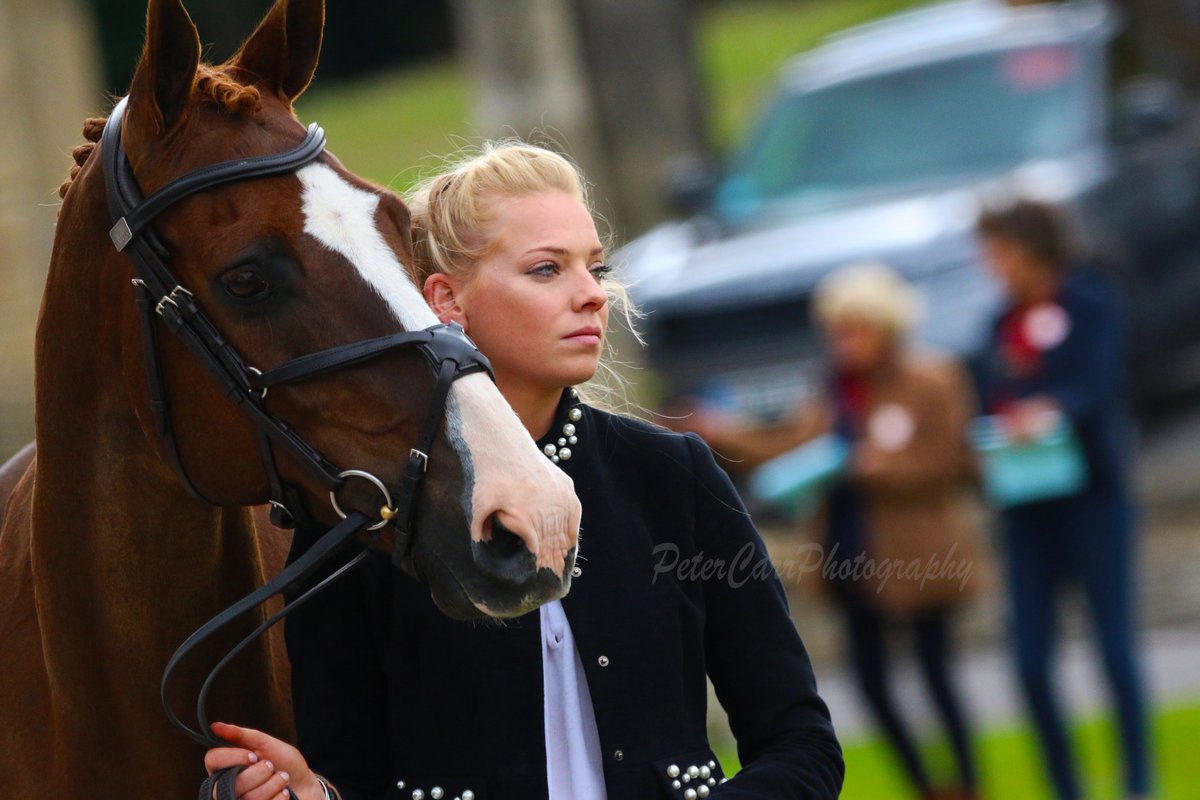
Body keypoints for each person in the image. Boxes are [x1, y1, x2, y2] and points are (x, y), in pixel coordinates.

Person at [201, 142, 845, 800]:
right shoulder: (366, 513)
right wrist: (314, 794)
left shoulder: (673, 476)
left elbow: (803, 747)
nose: (591, 295)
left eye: (595, 268)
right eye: (547, 269)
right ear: (447, 300)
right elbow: (351, 775)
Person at [682, 263, 985, 800]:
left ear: (884, 326)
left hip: (918, 552)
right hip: (850, 555)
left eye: (854, 329)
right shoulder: (834, 389)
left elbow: (955, 463)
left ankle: (967, 784)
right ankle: (924, 786)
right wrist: (719, 433)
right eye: (837, 331)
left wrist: (878, 468)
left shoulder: (933, 378)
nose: (843, 342)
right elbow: (790, 448)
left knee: (937, 676)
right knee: (871, 684)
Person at [973, 199, 1151, 800]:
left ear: (1031, 250)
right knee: (1028, 661)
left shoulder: (1092, 302)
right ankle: (1065, 788)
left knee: (1114, 649)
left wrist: (1051, 410)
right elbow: (989, 395)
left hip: (1092, 498)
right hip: (1026, 508)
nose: (991, 264)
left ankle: (1137, 783)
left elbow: (1101, 384)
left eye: (999, 250)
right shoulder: (998, 323)